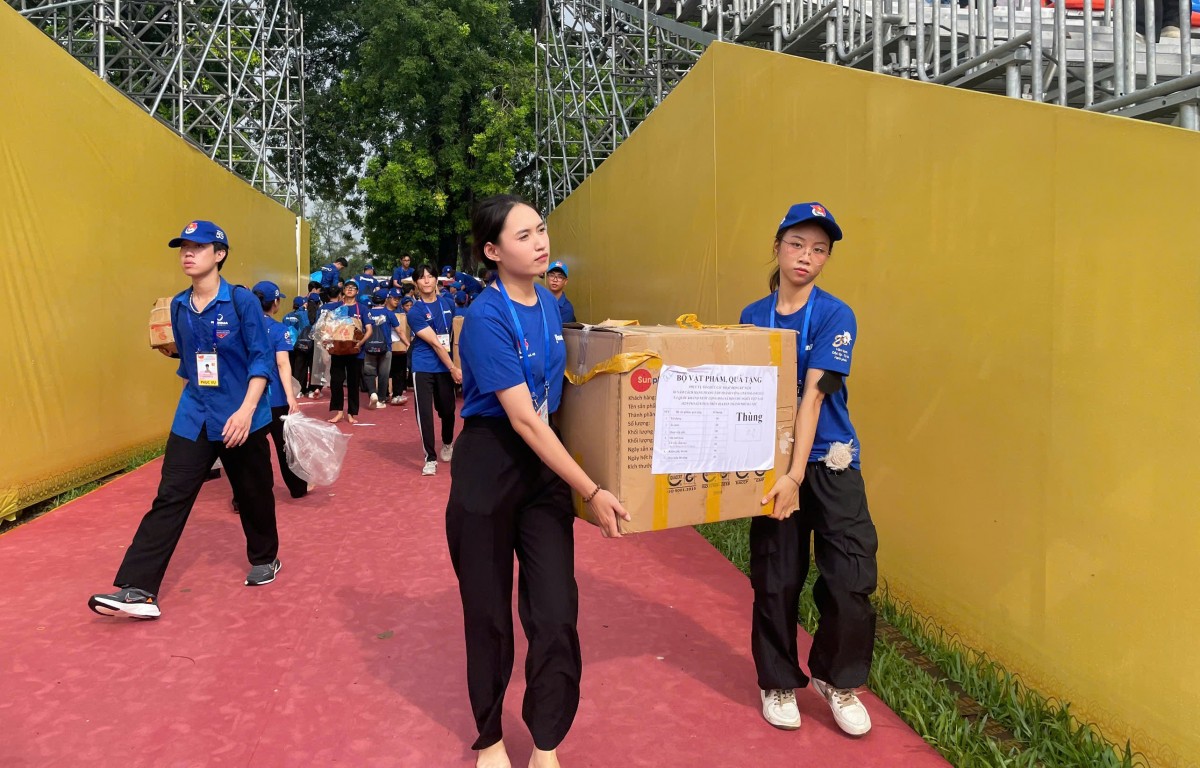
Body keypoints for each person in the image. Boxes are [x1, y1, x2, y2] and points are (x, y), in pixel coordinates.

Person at [448, 194, 630, 768]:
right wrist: (593, 489)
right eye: (523, 236)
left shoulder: (552, 306)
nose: (539, 242)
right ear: (493, 251)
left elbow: (560, 399)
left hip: (543, 469)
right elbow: (524, 418)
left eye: (541, 230)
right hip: (489, 464)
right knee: (489, 612)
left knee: (554, 611)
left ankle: (546, 740)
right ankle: (491, 739)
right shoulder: (484, 317)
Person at [88, 221, 280, 620]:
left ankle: (265, 557)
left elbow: (261, 358)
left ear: (220, 254)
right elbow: (191, 364)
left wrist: (245, 412)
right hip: (194, 413)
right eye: (183, 248)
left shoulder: (242, 302)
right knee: (170, 495)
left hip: (240, 414)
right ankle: (138, 589)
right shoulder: (177, 306)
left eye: (198, 247)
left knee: (254, 493)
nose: (187, 254)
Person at [745, 202, 878, 737]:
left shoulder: (835, 314)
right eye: (798, 244)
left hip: (828, 462)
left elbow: (816, 396)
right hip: (770, 466)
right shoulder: (753, 315)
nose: (807, 256)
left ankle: (835, 678)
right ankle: (777, 679)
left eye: (819, 249)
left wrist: (796, 475)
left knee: (851, 578)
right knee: (776, 579)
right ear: (778, 246)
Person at [252, 281, 309, 499]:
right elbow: (283, 364)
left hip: (249, 397)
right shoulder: (278, 330)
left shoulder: (242, 327)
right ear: (275, 302)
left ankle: (244, 496)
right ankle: (297, 487)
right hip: (274, 397)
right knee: (285, 446)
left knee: (251, 449)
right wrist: (290, 396)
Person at [406, 263, 460, 475]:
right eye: (422, 277)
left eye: (430, 276)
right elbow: (436, 343)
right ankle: (430, 457)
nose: (427, 280)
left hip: (444, 365)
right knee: (425, 413)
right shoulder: (415, 311)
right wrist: (454, 368)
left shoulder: (448, 303)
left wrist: (455, 364)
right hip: (423, 365)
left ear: (437, 279)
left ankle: (447, 442)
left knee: (447, 409)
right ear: (416, 283)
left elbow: (450, 337)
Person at [328, 280, 372, 424]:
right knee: (336, 381)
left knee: (353, 383)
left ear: (357, 292)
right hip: (338, 351)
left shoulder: (363, 309)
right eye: (347, 287)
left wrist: (360, 343)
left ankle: (352, 413)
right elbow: (328, 327)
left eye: (353, 288)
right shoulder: (336, 307)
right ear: (343, 290)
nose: (350, 290)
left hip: (356, 352)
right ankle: (339, 411)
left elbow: (369, 330)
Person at [364, 288, 399, 410]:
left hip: (368, 346)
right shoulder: (389, 313)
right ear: (385, 300)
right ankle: (381, 399)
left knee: (369, 372)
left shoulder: (366, 313)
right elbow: (399, 331)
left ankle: (372, 393)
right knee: (384, 374)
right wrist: (407, 343)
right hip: (386, 347)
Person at [386, 288, 411, 405]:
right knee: (384, 372)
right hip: (385, 345)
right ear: (388, 298)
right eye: (394, 298)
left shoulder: (402, 312)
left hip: (399, 347)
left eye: (398, 298)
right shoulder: (382, 310)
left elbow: (404, 330)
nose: (397, 300)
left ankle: (397, 394)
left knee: (399, 371)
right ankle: (384, 394)